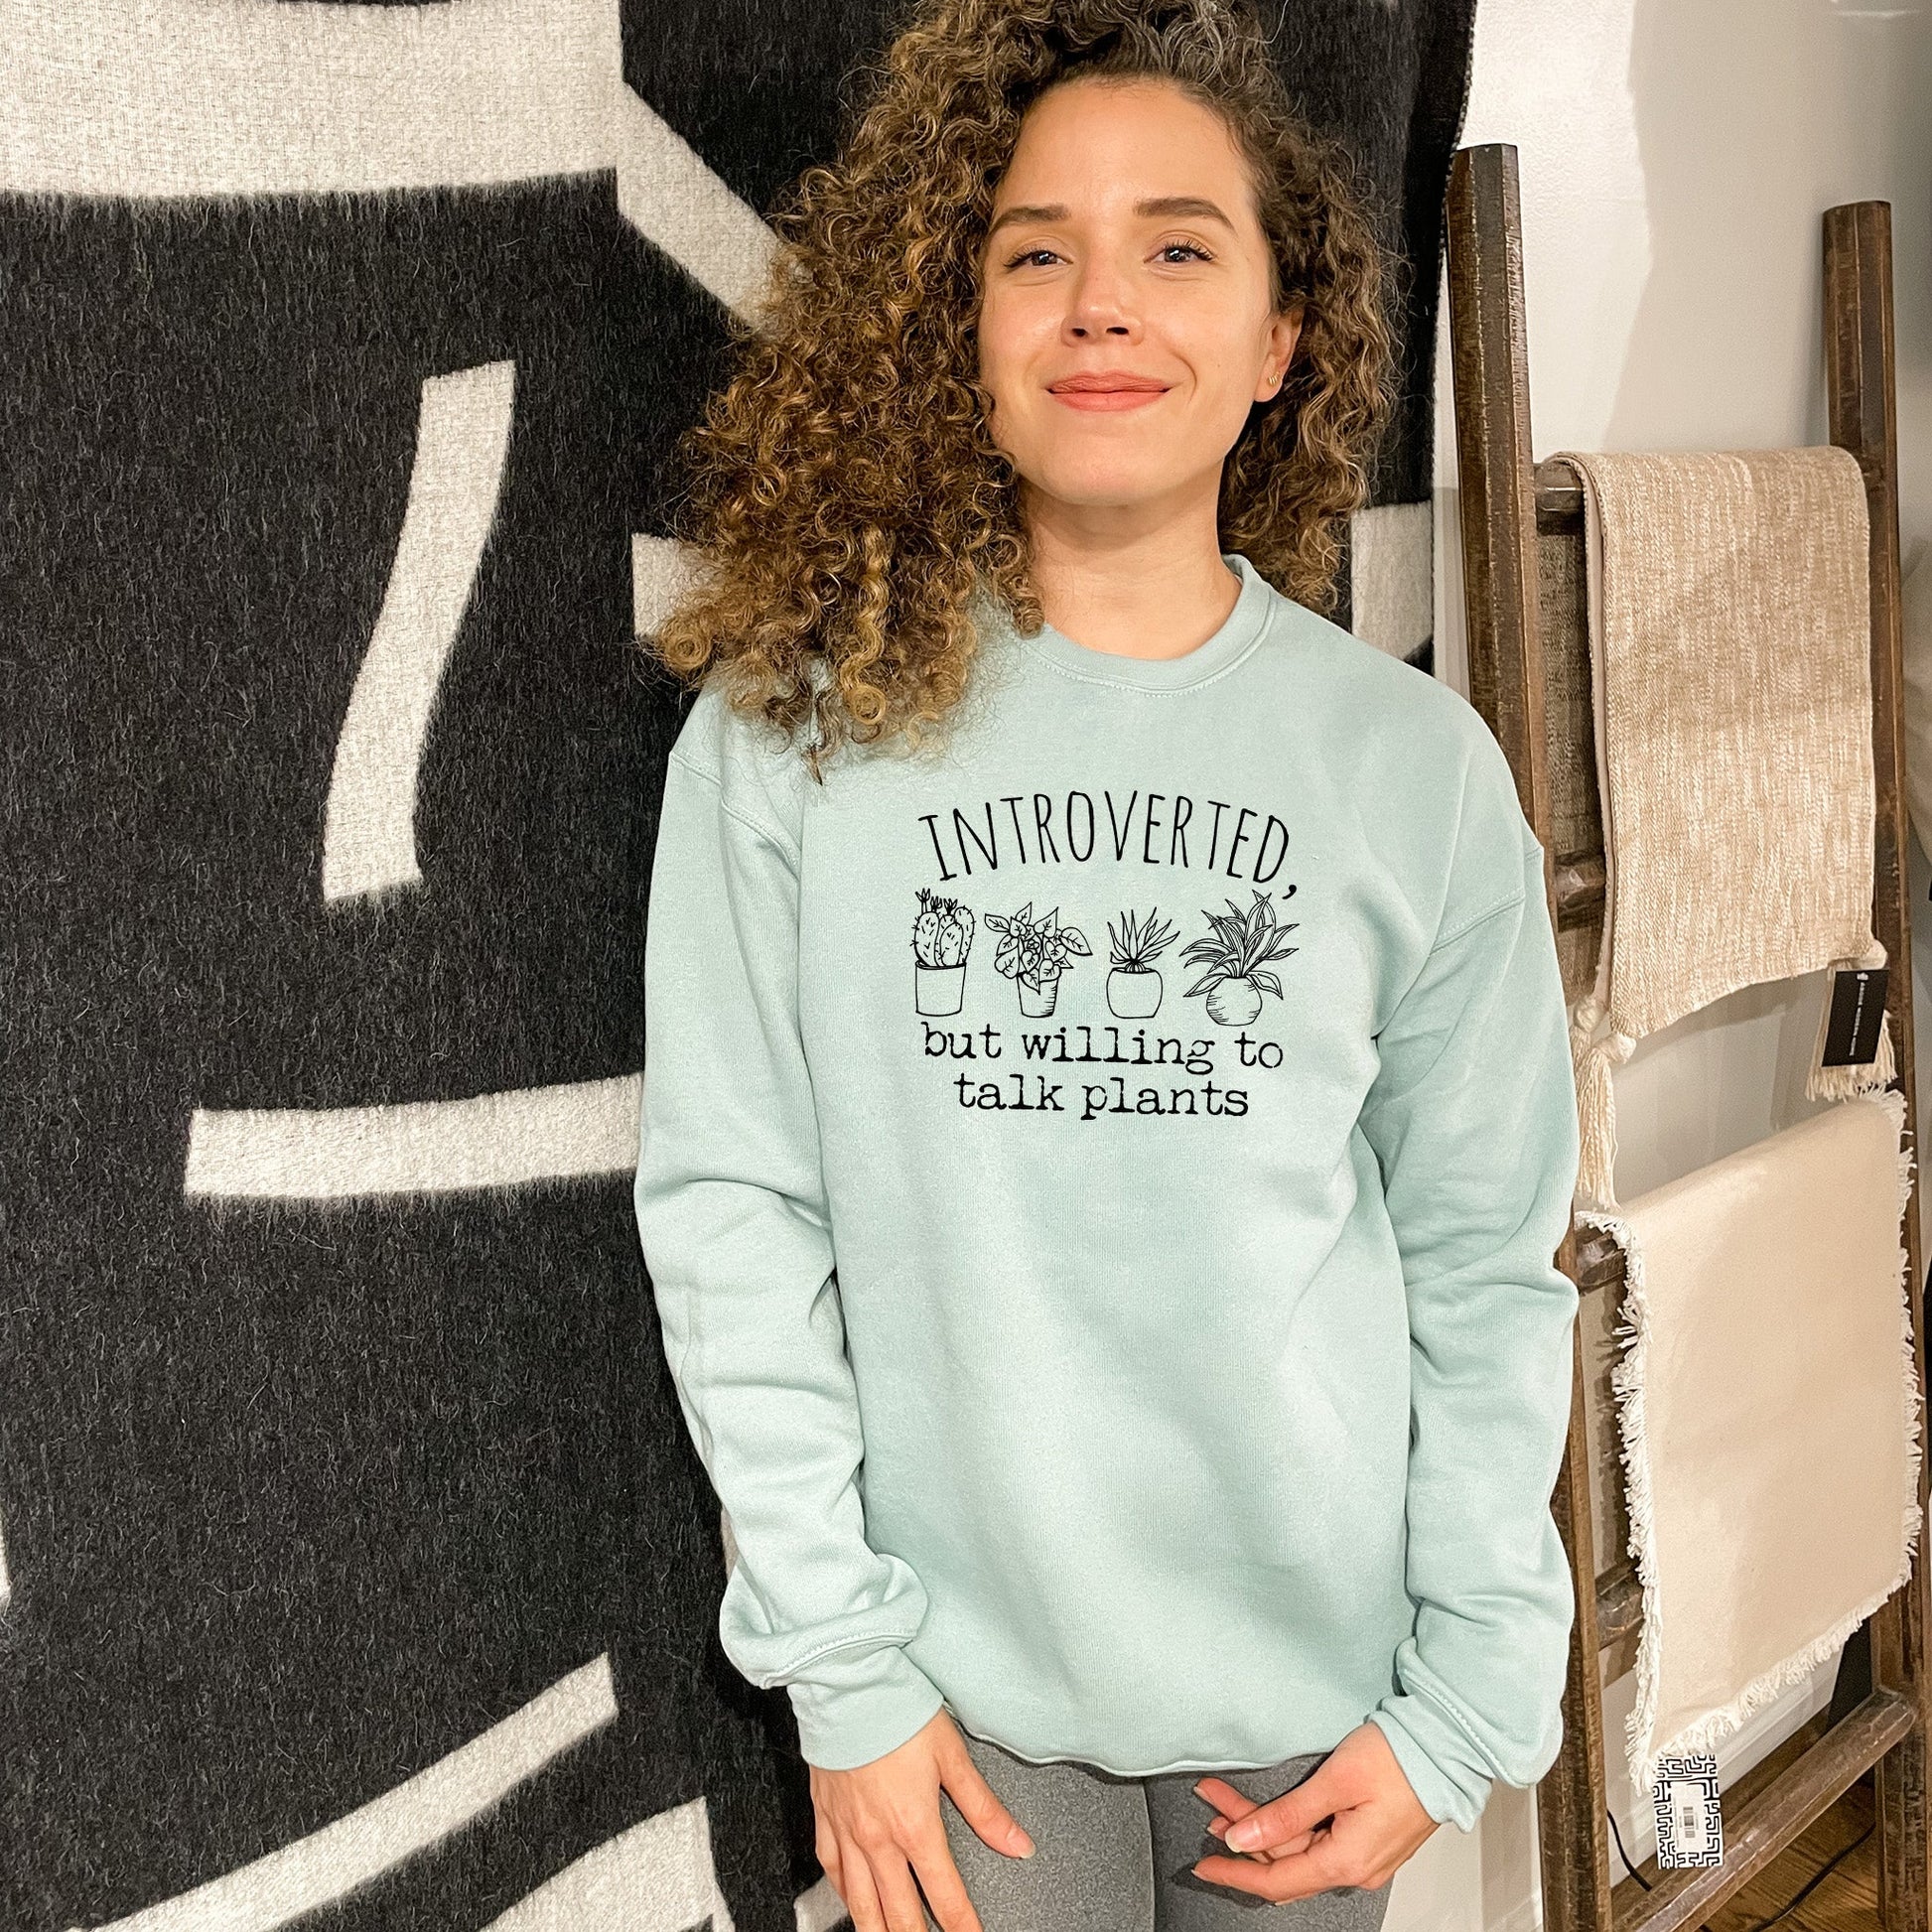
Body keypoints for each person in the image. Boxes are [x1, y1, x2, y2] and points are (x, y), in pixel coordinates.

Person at [633, 1, 1583, 1926]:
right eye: (1033, 250)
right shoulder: (788, 735)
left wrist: (1471, 1689)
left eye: (1176, 245)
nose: (1099, 302)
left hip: (1321, 1703)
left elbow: (1488, 1258)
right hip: (961, 1713)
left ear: (1278, 341)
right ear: (957, 325)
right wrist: (839, 1656)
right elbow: (735, 1202)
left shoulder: (1414, 774)